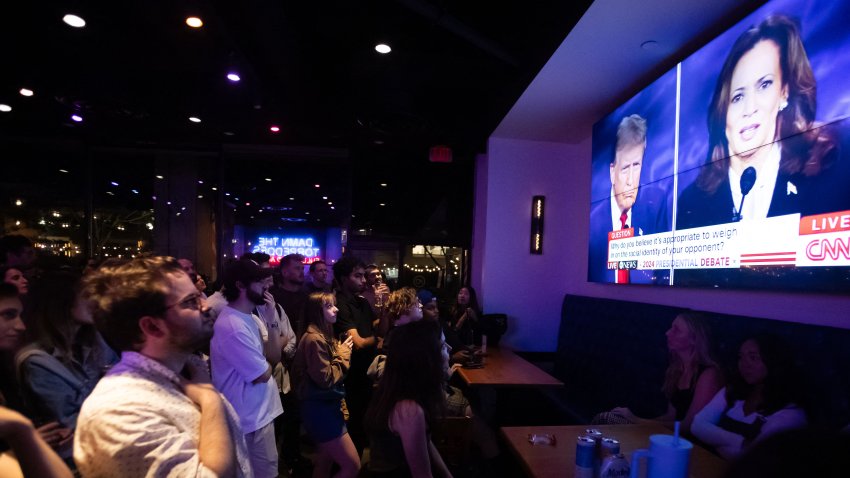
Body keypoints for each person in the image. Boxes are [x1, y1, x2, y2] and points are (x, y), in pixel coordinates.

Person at [73, 256, 250, 477]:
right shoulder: (121, 410)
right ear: (152, 327)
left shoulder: (187, 369)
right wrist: (211, 399)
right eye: (191, 301)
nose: (205, 306)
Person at [677, 15, 843, 230]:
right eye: (737, 97)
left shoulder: (831, 168)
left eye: (764, 85)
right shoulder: (692, 202)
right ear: (722, 111)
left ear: (784, 93)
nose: (749, 109)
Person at [15, 271, 118, 466]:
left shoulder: (94, 340)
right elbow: (68, 425)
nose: (96, 302)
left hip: (110, 442)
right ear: (62, 303)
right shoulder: (37, 360)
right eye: (87, 296)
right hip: (78, 458)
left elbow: (127, 381)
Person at [211, 259, 284, 478]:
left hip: (259, 414)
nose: (266, 286)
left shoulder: (251, 317)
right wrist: (266, 362)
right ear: (241, 285)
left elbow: (274, 356)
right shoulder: (232, 325)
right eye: (259, 281)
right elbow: (262, 374)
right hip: (248, 420)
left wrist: (271, 320)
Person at [596, 312, 724, 435]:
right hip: (670, 436)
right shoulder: (676, 370)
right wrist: (640, 423)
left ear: (694, 339)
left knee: (605, 418)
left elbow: (690, 426)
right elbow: (671, 417)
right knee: (606, 419)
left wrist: (637, 421)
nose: (667, 333)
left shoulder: (708, 374)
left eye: (676, 330)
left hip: (688, 444)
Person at [692, 334, 807, 459]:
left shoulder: (790, 414)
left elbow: (756, 457)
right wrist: (740, 442)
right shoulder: (732, 391)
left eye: (753, 358)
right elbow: (697, 425)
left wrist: (712, 439)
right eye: (741, 357)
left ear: (773, 361)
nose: (744, 364)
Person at [0, 283, 72, 478]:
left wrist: (46, 437)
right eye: (8, 315)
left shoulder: (5, 370)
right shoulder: (33, 360)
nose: (21, 326)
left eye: (20, 315)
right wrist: (24, 442)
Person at [365, 320, 452, 478]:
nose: (449, 350)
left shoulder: (400, 390)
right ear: (425, 358)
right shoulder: (409, 409)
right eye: (443, 346)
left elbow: (425, 441)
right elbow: (422, 474)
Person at [588, 114, 668, 284]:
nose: (631, 181)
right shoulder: (593, 227)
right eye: (625, 169)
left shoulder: (656, 206)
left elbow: (663, 275)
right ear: (612, 172)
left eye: (636, 166)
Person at [293, 292, 358, 478]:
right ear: (316, 312)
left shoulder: (322, 335)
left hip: (323, 407)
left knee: (324, 462)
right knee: (352, 465)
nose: (336, 308)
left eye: (334, 304)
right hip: (321, 409)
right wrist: (344, 353)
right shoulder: (314, 339)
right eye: (329, 306)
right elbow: (326, 378)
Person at [333, 256, 378, 454]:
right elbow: (358, 343)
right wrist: (379, 340)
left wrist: (385, 310)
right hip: (349, 375)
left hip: (365, 373)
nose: (363, 280)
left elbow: (378, 326)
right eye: (357, 276)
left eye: (363, 276)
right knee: (351, 424)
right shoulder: (339, 303)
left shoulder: (362, 302)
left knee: (362, 422)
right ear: (343, 278)